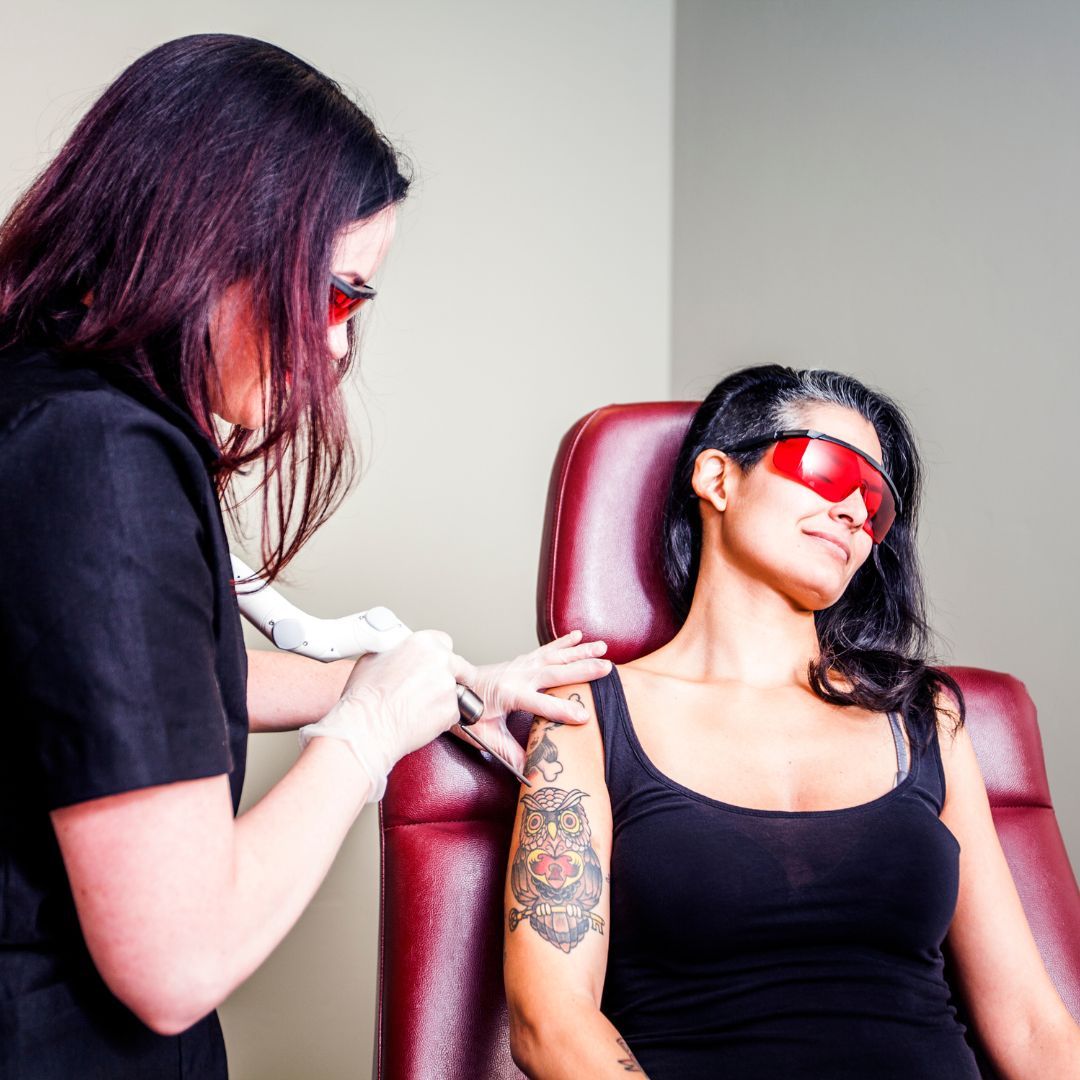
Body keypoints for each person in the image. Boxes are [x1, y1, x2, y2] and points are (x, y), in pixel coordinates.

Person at [0, 34, 612, 1078]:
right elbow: (177, 957)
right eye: (338, 294)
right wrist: (363, 737)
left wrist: (405, 685)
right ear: (214, 238)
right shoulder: (103, 456)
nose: (337, 344)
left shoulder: (36, 406)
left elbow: (104, 693)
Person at [503, 365, 1080, 1078]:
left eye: (875, 503)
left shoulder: (925, 717)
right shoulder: (585, 718)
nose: (854, 513)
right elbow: (549, 1020)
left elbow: (1030, 1025)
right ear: (718, 478)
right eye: (827, 469)